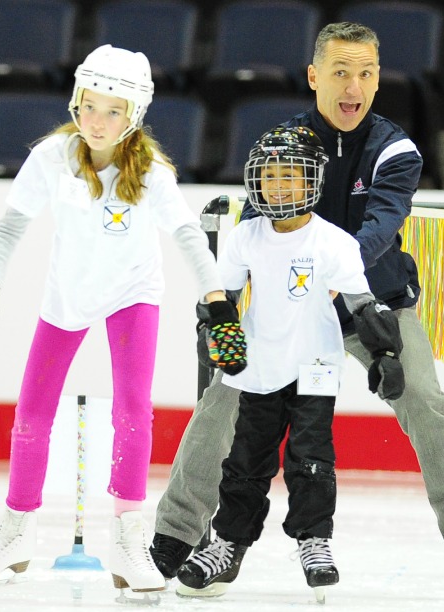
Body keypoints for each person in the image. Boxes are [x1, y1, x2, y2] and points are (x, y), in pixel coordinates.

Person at [151, 22, 444, 591]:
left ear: (378, 79)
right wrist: (223, 313)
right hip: (287, 314)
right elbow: (254, 233)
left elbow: (380, 228)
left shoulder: (396, 150)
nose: (353, 86)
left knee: (425, 398)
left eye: (365, 73)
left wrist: (329, 273)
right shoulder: (286, 144)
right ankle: (175, 535)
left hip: (373, 304)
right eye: (341, 72)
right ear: (315, 77)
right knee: (223, 401)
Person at [0, 45, 246, 597]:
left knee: (134, 413)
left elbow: (186, 235)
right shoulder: (52, 157)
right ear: (76, 101)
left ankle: (128, 539)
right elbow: (11, 225)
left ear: (134, 115)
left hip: (132, 296)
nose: (96, 120)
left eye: (113, 111)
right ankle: (16, 531)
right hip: (66, 297)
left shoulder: (152, 172)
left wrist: (219, 303)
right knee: (31, 416)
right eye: (90, 105)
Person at [174, 126, 404, 599]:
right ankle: (227, 544)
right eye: (271, 176)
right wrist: (209, 331)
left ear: (312, 181)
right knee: (245, 462)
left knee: (312, 458)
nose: (279, 186)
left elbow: (363, 303)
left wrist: (385, 353)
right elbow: (221, 298)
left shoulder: (334, 242)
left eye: (290, 176)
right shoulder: (243, 238)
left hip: (315, 366)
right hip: (258, 368)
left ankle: (314, 540)